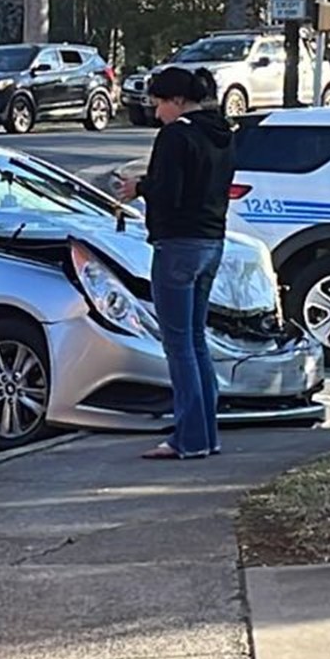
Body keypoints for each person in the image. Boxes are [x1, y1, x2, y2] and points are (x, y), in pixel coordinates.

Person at [116, 66, 234, 460]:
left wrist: (140, 187)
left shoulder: (176, 135)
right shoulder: (221, 134)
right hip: (211, 241)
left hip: (177, 243)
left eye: (159, 103)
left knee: (178, 344)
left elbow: (169, 191)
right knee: (196, 341)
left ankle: (189, 437)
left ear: (177, 101)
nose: (156, 112)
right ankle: (206, 432)